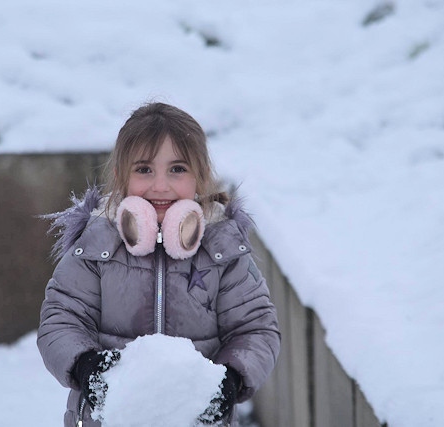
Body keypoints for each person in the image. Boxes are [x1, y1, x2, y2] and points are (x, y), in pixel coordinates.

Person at [37, 102, 281, 426]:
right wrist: (85, 364)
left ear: (201, 177)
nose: (160, 186)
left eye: (177, 169)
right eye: (144, 169)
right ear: (120, 176)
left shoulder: (224, 252)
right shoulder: (95, 247)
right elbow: (60, 319)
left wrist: (229, 379)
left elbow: (256, 328)